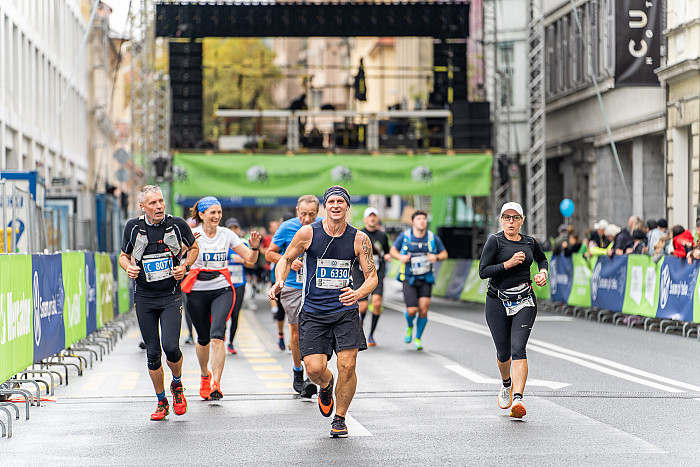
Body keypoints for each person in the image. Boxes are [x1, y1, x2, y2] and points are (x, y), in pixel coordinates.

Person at [268, 185, 378, 438]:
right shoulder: (308, 233)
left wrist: (358, 293)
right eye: (332, 202)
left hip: (345, 310)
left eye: (341, 202)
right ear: (325, 206)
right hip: (314, 311)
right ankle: (326, 385)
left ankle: (339, 418)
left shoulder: (359, 239)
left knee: (348, 365)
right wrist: (279, 280)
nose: (336, 206)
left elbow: (372, 277)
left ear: (347, 207)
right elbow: (284, 259)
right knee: (315, 369)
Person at [119, 185, 198, 421]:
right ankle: (161, 401)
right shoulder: (133, 227)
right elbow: (123, 255)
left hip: (171, 296)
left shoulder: (177, 225)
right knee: (153, 353)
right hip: (144, 297)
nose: (159, 206)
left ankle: (177, 385)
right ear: (142, 207)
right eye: (153, 203)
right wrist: (128, 268)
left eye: (161, 201)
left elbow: (193, 248)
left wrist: (185, 267)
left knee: (171, 348)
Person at [181, 197, 261, 401]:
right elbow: (177, 257)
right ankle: (204, 375)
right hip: (197, 289)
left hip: (221, 288)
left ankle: (216, 383)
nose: (217, 216)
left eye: (219, 212)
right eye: (212, 213)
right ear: (201, 214)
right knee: (203, 338)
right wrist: (186, 246)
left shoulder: (227, 234)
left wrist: (254, 248)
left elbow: (250, 260)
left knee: (218, 335)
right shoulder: (192, 234)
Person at [478, 202, 548, 419]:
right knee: (503, 352)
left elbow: (542, 259)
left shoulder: (529, 242)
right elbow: (483, 271)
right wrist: (507, 264)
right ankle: (506, 384)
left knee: (519, 348)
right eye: (506, 217)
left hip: (524, 300)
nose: (511, 221)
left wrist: (542, 273)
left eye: (515, 218)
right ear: (501, 220)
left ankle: (518, 398)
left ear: (522, 221)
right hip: (497, 300)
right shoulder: (495, 241)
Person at [265, 195, 320, 398]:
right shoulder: (287, 227)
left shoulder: (322, 227)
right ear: (297, 211)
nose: (307, 219)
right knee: (296, 332)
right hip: (293, 287)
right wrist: (288, 260)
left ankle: (314, 372)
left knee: (316, 331)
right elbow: (270, 253)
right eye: (303, 214)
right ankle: (298, 372)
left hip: (317, 287)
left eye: (312, 215)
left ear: (318, 212)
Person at [389, 210, 448, 350]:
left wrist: (436, 258)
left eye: (424, 219)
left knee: (423, 309)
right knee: (411, 310)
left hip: (426, 277)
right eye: (419, 219)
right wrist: (400, 257)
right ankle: (410, 326)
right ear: (413, 222)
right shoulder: (405, 236)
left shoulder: (432, 238)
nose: (422, 221)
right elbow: (392, 250)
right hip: (408, 277)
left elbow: (444, 254)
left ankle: (418, 338)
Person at [351, 207, 391, 346]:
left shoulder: (382, 235)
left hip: (377, 272)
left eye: (374, 216)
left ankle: (372, 335)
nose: (372, 219)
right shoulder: (358, 234)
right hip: (360, 273)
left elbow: (387, 251)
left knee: (377, 303)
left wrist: (387, 255)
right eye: (369, 216)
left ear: (377, 219)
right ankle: (360, 328)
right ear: (365, 219)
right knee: (362, 307)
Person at [224, 217, 255, 355]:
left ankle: (230, 342)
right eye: (230, 228)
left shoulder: (242, 244)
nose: (232, 230)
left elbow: (251, 263)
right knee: (223, 313)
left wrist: (242, 260)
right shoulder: (222, 243)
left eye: (235, 228)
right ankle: (221, 334)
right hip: (224, 284)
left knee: (235, 314)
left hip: (239, 283)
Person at [261, 220, 286, 350]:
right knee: (280, 310)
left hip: (296, 279)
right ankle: (281, 335)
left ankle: (296, 341)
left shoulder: (296, 235)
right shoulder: (271, 239)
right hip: (275, 273)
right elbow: (267, 253)